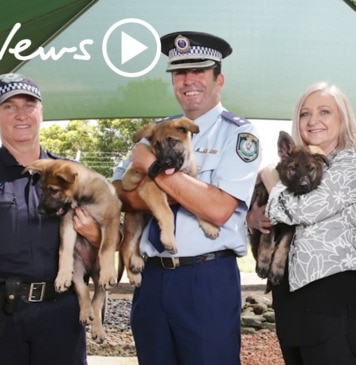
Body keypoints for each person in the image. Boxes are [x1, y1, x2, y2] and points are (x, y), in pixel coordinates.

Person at [111, 31, 261, 365]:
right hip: (151, 278)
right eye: (180, 72)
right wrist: (183, 190)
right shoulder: (156, 131)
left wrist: (154, 172)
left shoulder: (238, 134)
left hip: (205, 278)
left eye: (199, 71)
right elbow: (118, 195)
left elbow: (219, 208)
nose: (188, 80)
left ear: (218, 79)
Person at [0, 73, 102, 364]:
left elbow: (109, 239)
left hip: (60, 314)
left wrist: (95, 235)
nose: (21, 115)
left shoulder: (74, 173)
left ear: (41, 111)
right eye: (8, 107)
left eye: (29, 105)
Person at [251, 82, 356, 365]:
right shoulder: (297, 161)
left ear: (343, 118)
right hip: (290, 297)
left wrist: (270, 176)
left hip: (333, 296)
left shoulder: (355, 161)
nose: (313, 120)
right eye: (305, 113)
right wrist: (253, 219)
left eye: (324, 112)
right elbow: (269, 219)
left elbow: (303, 210)